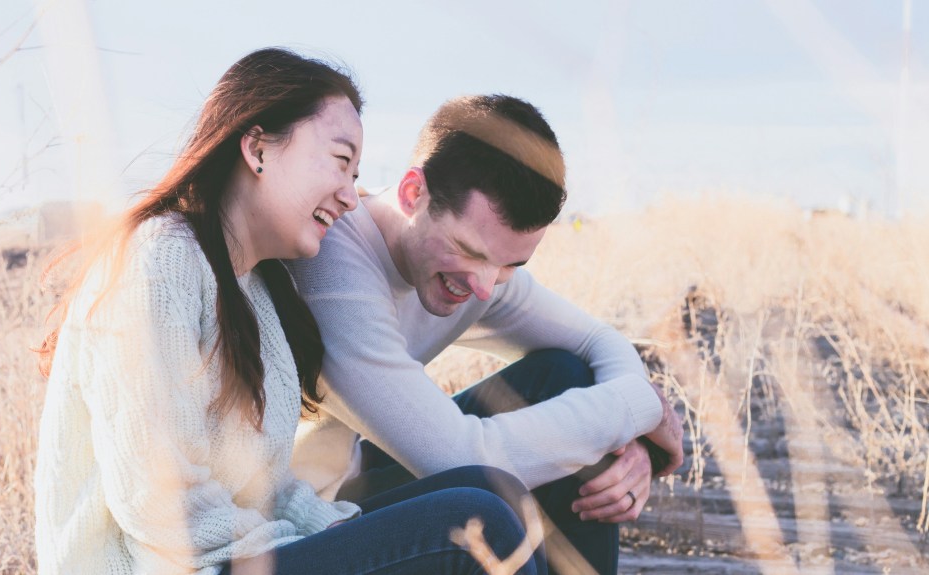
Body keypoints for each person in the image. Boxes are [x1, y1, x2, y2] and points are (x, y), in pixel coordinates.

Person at [34, 50, 544, 575]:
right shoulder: (159, 260)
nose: (351, 196)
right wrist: (294, 543)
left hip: (241, 555)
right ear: (257, 149)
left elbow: (263, 486)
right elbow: (157, 500)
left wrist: (327, 527)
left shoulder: (253, 288)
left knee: (492, 488)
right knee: (478, 523)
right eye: (340, 162)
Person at [285, 94, 685, 574]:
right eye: (468, 251)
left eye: (511, 264)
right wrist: (638, 409)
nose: (482, 286)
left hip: (345, 484)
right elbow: (459, 457)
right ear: (414, 194)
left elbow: (597, 341)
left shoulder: (481, 272)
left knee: (566, 374)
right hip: (291, 527)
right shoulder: (332, 266)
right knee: (489, 504)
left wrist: (629, 442)